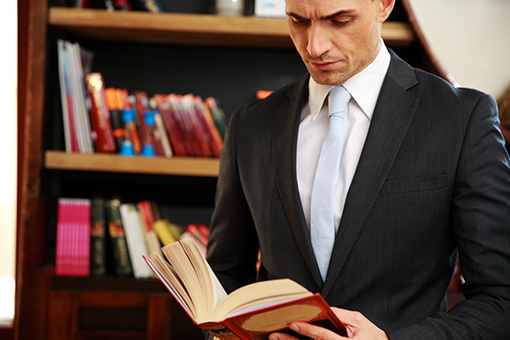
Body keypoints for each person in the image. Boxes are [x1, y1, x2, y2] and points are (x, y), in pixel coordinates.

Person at [206, 0, 510, 338]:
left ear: (384, 5)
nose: (315, 46)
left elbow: (501, 300)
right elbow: (227, 272)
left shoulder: (461, 119)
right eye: (298, 20)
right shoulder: (251, 125)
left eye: (339, 20)